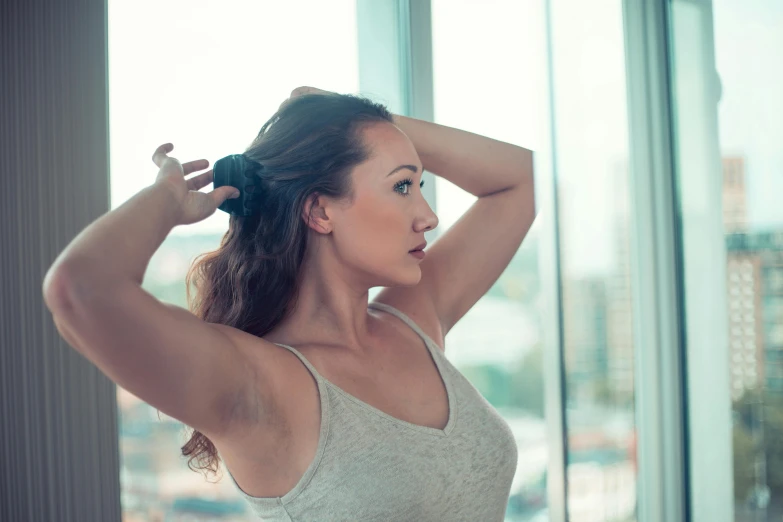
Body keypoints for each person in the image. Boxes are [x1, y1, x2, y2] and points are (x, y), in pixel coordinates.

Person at [42, 87, 537, 521]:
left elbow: (520, 180)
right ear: (320, 210)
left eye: (419, 186)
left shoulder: (413, 321)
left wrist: (354, 122)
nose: (427, 216)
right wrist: (166, 200)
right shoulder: (256, 383)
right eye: (402, 186)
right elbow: (80, 289)